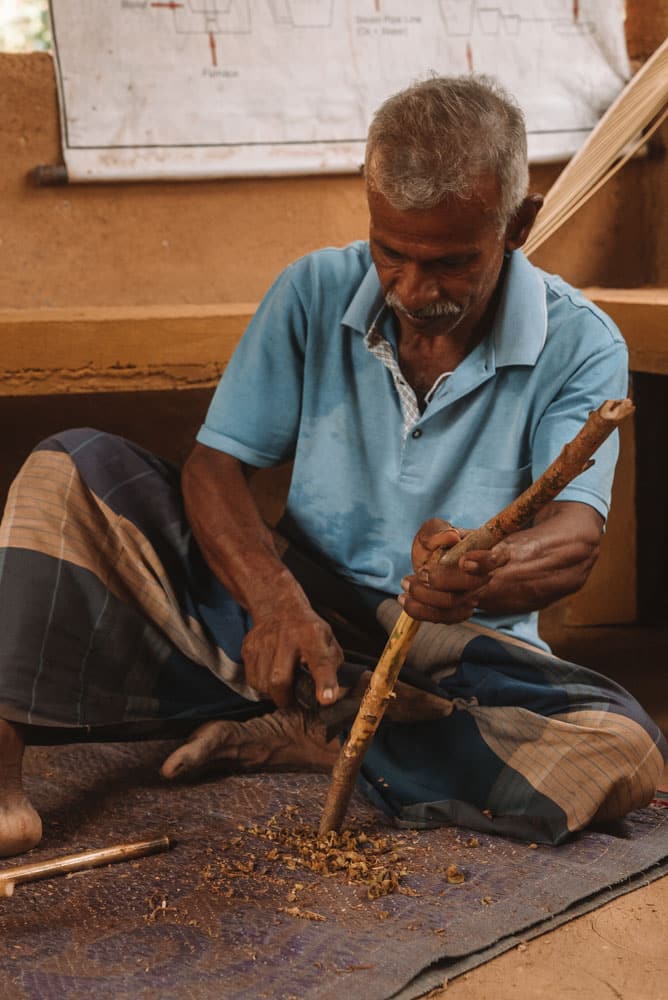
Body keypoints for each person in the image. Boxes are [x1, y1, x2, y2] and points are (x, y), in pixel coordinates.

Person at [0, 75, 665, 859]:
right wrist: (275, 600)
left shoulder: (581, 342)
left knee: (621, 750)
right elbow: (214, 468)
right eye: (392, 253)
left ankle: (311, 734)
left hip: (450, 656)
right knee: (68, 470)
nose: (414, 290)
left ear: (519, 223)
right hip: (302, 616)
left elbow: (574, 535)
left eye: (451, 262)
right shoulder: (314, 291)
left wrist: (482, 570)